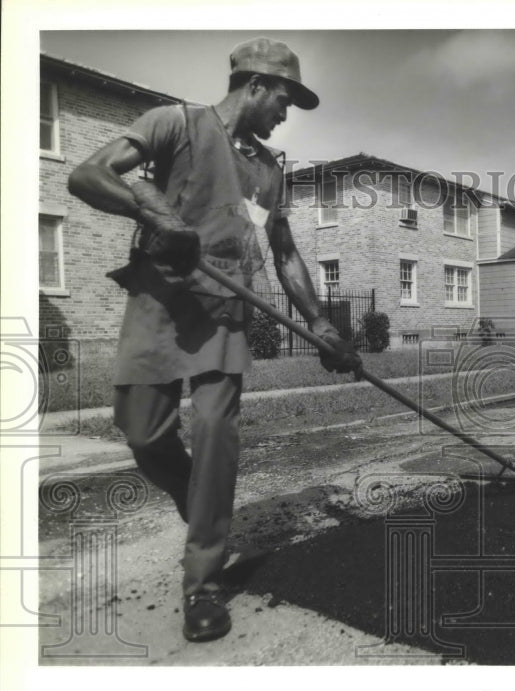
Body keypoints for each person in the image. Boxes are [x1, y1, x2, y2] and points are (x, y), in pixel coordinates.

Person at [67, 37, 361, 643]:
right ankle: (200, 505)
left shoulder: (270, 169)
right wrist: (150, 214)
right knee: (141, 430)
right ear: (253, 85)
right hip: (159, 301)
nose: (286, 114)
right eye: (283, 99)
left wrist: (322, 324)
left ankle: (203, 580)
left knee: (215, 435)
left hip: (225, 315)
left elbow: (284, 254)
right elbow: (86, 175)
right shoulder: (175, 124)